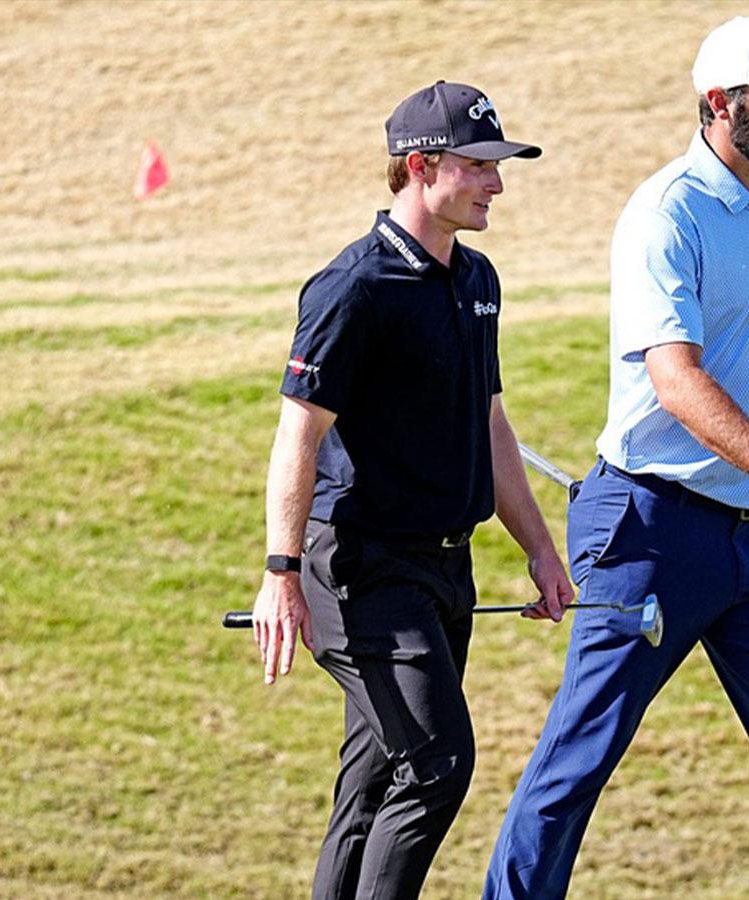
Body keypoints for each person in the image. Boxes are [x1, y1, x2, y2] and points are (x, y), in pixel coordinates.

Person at [483, 18, 749, 899]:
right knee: (577, 765)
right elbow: (675, 379)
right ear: (720, 105)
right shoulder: (665, 213)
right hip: (651, 529)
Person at [249, 81, 575, 900]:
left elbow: (492, 425)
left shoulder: (477, 282)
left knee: (372, 782)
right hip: (360, 571)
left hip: (444, 572)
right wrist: (280, 573)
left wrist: (539, 548)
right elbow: (299, 435)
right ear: (423, 167)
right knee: (436, 763)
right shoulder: (352, 289)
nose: (497, 184)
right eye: (481, 166)